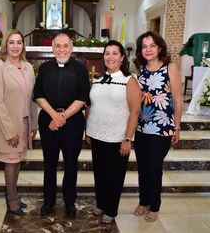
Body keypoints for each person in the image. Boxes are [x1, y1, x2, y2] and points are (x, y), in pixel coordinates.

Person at [33, 33, 90, 217]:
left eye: (66, 46)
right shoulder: (44, 68)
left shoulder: (80, 69)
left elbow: (82, 98)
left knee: (71, 163)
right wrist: (54, 115)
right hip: (48, 120)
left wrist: (62, 116)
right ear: (52, 47)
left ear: (71, 48)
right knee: (49, 163)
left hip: (72, 121)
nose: (62, 49)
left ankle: (69, 202)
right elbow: (38, 95)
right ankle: (48, 202)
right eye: (58, 46)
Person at [85, 40, 141, 224]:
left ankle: (110, 209)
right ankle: (101, 203)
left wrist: (128, 138)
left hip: (118, 137)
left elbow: (135, 111)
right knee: (100, 173)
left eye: (114, 53)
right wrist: (88, 130)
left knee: (114, 175)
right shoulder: (98, 79)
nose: (110, 57)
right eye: (107, 53)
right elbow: (91, 106)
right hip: (97, 134)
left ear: (122, 57)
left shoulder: (129, 80)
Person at [133, 31, 182, 222]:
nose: (148, 49)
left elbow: (178, 100)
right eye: (144, 46)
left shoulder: (170, 68)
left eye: (152, 45)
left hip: (162, 127)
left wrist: (176, 127)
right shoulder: (141, 69)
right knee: (143, 167)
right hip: (141, 127)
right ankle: (143, 200)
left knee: (154, 167)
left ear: (159, 48)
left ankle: (154, 205)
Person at [0, 29, 38, 217]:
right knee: (10, 162)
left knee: (17, 162)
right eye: (12, 42)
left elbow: (32, 97)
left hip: (24, 123)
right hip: (7, 124)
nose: (16, 46)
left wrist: (33, 124)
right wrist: (9, 131)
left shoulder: (27, 67)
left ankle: (14, 195)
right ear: (5, 45)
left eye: (19, 42)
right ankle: (11, 199)